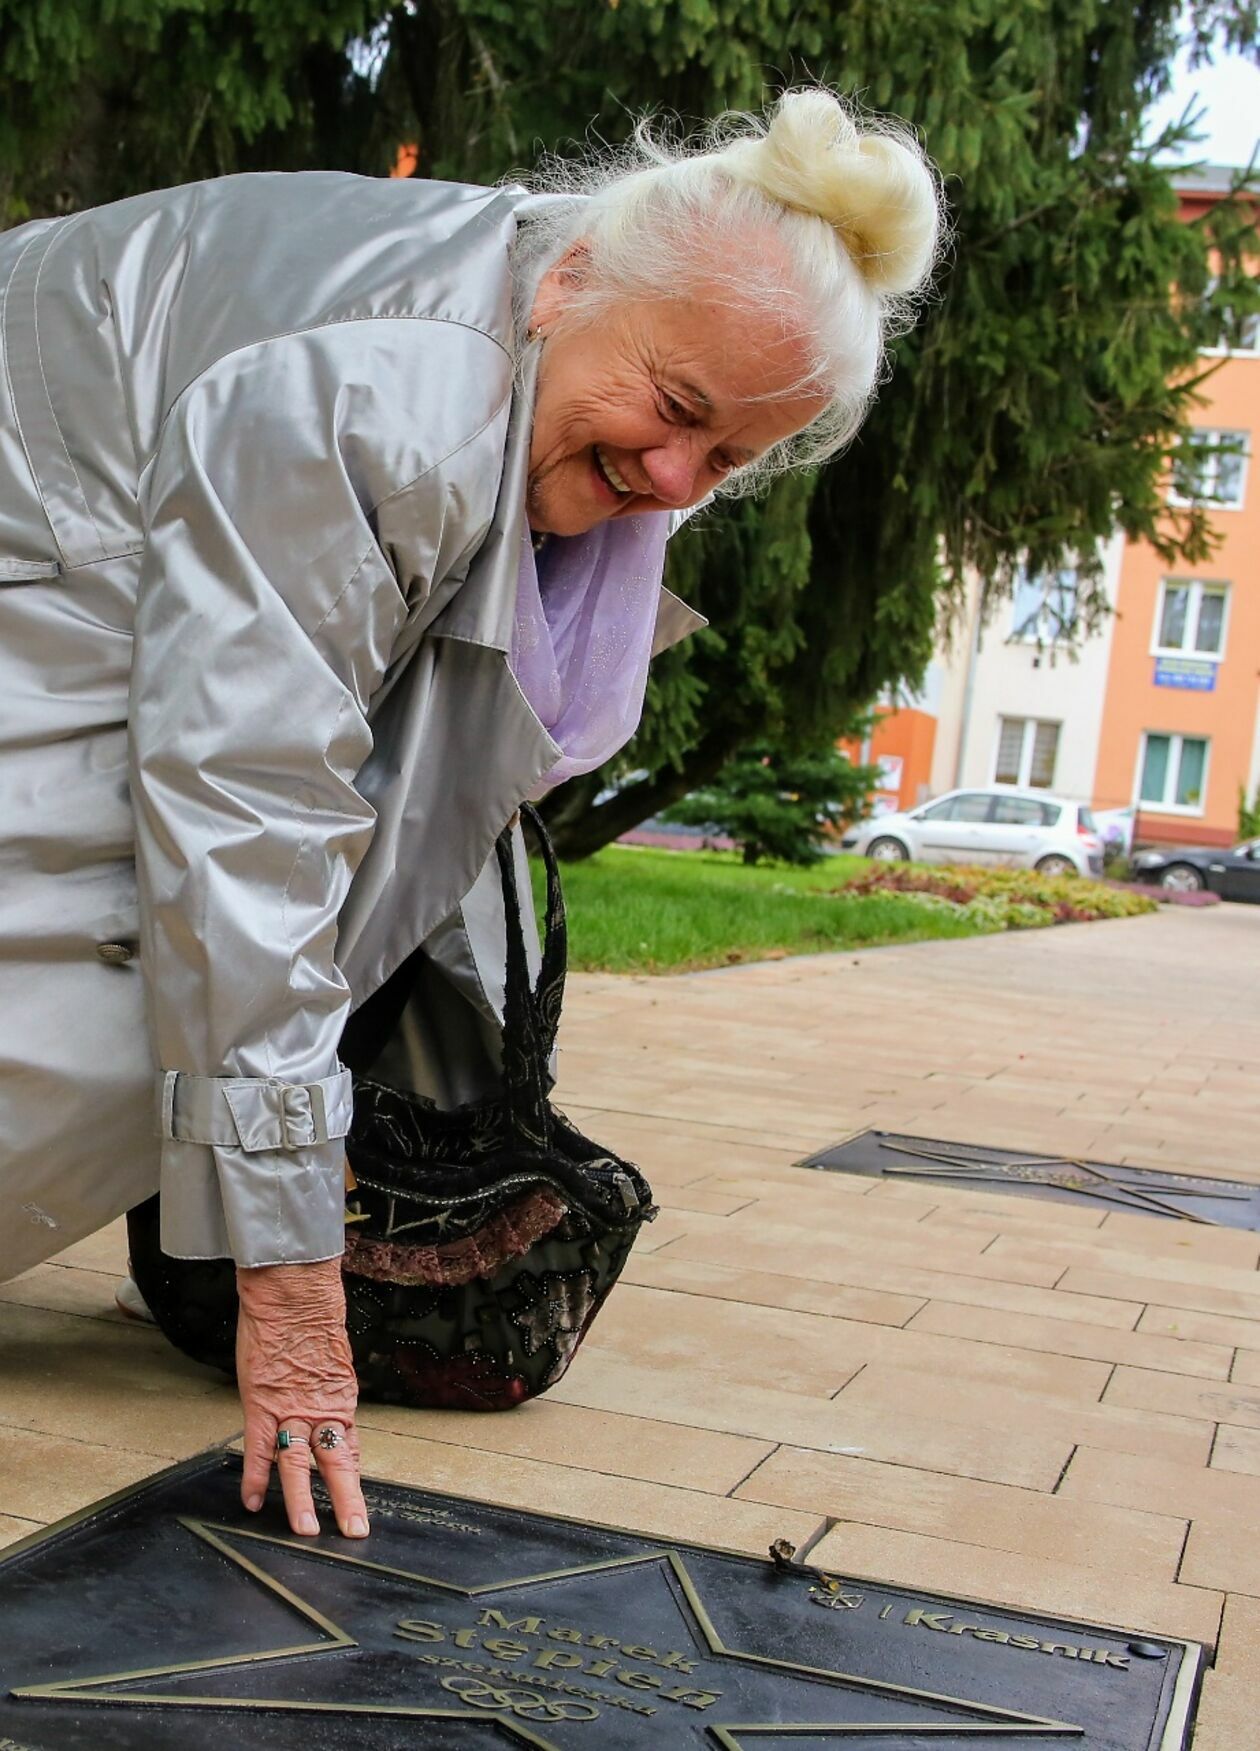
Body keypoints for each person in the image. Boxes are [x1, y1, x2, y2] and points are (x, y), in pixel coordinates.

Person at [0, 89, 942, 1542]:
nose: (673, 485)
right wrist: (291, 1280)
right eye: (676, 412)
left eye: (731, 463)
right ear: (572, 281)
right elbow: (248, 810)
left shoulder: (545, 318)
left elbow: (368, 790)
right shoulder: (394, 400)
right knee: (125, 955)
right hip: (39, 531)